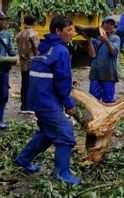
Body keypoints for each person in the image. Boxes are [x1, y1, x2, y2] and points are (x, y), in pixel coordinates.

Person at [15, 15, 81, 185]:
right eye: (68, 30)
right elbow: (61, 83)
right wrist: (69, 104)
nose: (71, 34)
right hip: (46, 101)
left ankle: (23, 159)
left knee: (47, 133)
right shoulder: (61, 50)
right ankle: (61, 174)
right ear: (58, 31)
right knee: (65, 132)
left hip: (38, 98)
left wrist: (66, 82)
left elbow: (51, 74)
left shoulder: (47, 47)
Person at [85, 16, 120, 103]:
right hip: (95, 73)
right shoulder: (95, 39)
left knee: (108, 100)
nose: (109, 25)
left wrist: (106, 41)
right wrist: (89, 40)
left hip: (109, 74)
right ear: (102, 25)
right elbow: (92, 55)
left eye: (112, 24)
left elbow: (112, 52)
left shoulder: (116, 39)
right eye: (107, 23)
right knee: (93, 99)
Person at [16, 15, 39, 114]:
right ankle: (31, 106)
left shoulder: (19, 34)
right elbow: (37, 50)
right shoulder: (33, 34)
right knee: (33, 85)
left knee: (24, 85)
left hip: (23, 64)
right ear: (34, 23)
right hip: (33, 64)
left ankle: (24, 107)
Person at [0, 11, 16, 130]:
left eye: (4, 20)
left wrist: (14, 56)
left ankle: (1, 120)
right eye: (1, 20)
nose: (3, 22)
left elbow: (11, 51)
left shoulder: (6, 35)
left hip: (3, 71)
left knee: (4, 96)